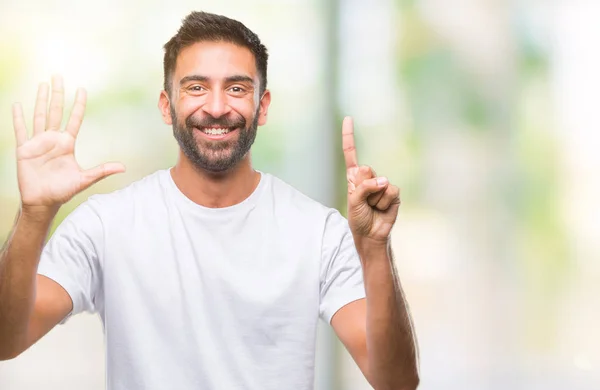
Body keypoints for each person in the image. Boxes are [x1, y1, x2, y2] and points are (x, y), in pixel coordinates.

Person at [0, 11, 419, 390]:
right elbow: (5, 341)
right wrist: (35, 215)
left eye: (236, 88)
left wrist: (375, 250)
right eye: (196, 87)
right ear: (168, 106)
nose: (216, 108)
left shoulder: (319, 232)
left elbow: (396, 381)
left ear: (262, 105)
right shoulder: (106, 225)